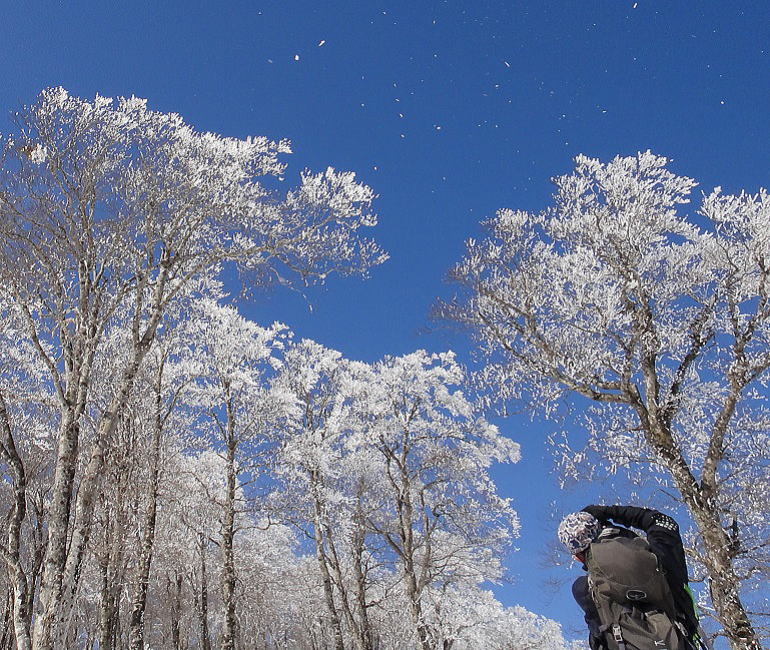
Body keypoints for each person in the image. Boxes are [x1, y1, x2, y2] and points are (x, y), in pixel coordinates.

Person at [558, 505, 700, 650]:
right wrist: (608, 512)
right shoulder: (661, 555)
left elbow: (600, 641)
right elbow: (662, 521)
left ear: (578, 557)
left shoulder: (585, 591)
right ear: (603, 528)